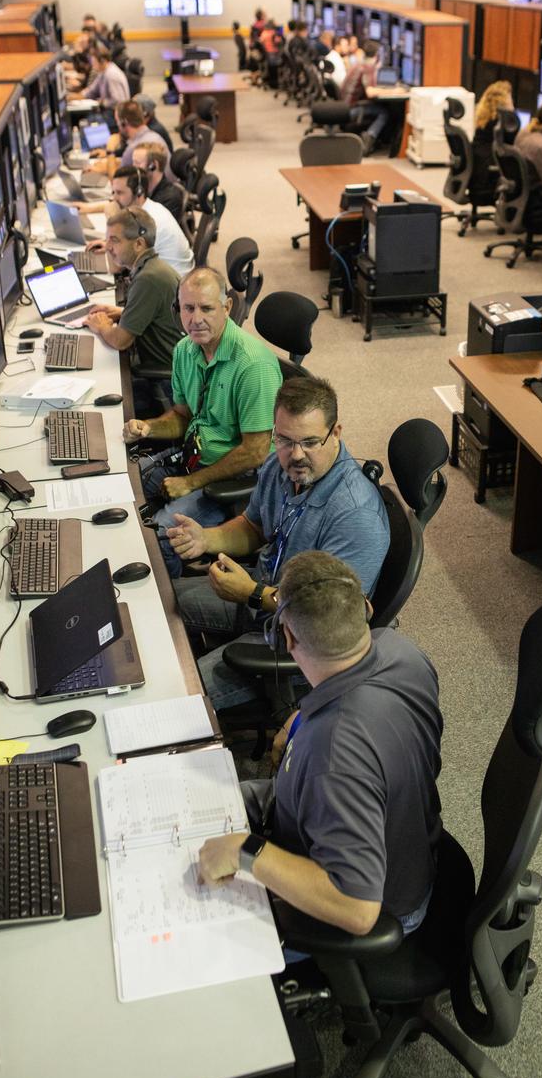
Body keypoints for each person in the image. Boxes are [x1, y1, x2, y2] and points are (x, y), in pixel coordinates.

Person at [197, 549, 442, 940]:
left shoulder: (334, 753)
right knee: (196, 800)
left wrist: (248, 852)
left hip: (375, 906)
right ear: (365, 608)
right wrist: (304, 713)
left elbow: (358, 909)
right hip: (403, 845)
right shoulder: (403, 651)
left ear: (287, 636)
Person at [167, 375, 390, 710]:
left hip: (302, 643)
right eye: (284, 440)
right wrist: (207, 538)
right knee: (154, 602)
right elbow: (254, 526)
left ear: (337, 434)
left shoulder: (355, 513)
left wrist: (252, 594)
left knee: (179, 698)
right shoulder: (279, 465)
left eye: (310, 442)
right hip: (262, 594)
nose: (295, 455)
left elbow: (331, 617)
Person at [123, 267, 282, 538]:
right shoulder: (185, 350)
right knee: (121, 486)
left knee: (157, 535)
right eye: (188, 308)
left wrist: (190, 483)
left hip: (234, 476)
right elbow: (182, 415)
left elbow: (255, 453)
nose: (195, 319)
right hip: (192, 457)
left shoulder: (253, 366)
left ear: (227, 307)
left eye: (206, 308)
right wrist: (148, 428)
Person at [83, 207, 181, 417]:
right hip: (169, 368)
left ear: (138, 243)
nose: (108, 247)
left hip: (166, 383)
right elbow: (155, 314)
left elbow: (120, 341)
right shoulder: (152, 267)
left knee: (92, 398)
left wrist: (103, 326)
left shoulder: (148, 279)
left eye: (115, 240)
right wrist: (122, 312)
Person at [84, 165, 193, 275]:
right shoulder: (146, 210)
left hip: (174, 285)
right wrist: (109, 244)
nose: (114, 199)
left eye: (120, 193)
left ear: (139, 192)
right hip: (168, 276)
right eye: (113, 192)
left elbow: (116, 268)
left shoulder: (148, 221)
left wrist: (112, 219)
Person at [342, 38, 391, 155]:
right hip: (352, 108)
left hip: (344, 104)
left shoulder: (358, 63)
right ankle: (369, 139)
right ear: (377, 55)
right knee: (385, 112)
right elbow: (370, 92)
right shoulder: (368, 68)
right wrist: (397, 91)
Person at [131, 140, 184, 225]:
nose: (133, 168)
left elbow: (147, 229)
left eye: (137, 163)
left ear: (153, 165)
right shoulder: (142, 187)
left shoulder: (170, 198)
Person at [472, 80, 515, 175]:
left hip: (479, 168)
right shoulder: (501, 123)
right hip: (491, 169)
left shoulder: (484, 119)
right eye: (511, 99)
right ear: (504, 101)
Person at [116, 100, 168, 170]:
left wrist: (110, 152)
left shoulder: (133, 148)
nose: (117, 125)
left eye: (117, 121)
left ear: (124, 122)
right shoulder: (156, 136)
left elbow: (117, 180)